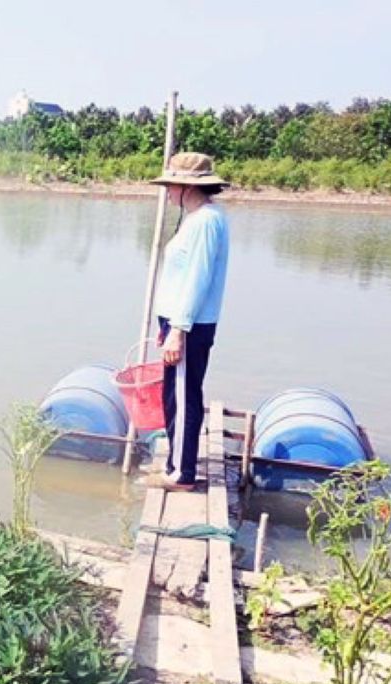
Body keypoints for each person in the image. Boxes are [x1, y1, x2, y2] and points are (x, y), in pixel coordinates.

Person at [148, 152, 231, 491]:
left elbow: (198, 278)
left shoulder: (205, 221)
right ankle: (175, 464)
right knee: (175, 395)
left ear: (188, 187)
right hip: (180, 322)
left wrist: (179, 330)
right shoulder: (198, 218)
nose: (167, 191)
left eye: (171, 185)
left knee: (183, 398)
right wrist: (166, 327)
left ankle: (181, 473)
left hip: (190, 326)